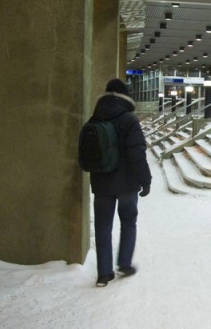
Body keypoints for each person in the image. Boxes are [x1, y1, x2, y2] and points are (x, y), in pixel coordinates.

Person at [90, 78, 152, 287]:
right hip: (127, 184)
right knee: (128, 221)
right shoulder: (129, 119)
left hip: (102, 183)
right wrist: (146, 180)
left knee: (103, 227)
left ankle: (103, 274)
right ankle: (124, 263)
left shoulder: (95, 117)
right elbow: (137, 154)